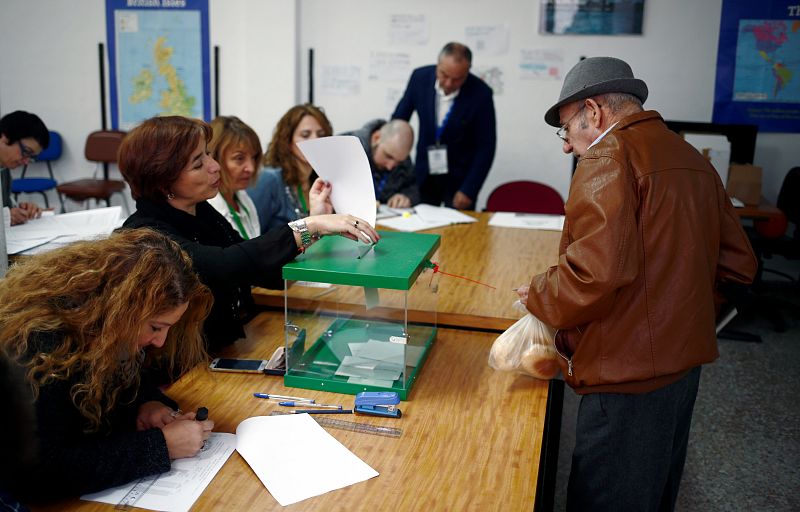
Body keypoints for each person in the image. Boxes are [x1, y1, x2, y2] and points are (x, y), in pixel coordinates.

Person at [516, 57, 758, 510]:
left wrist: (538, 294)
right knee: (655, 487)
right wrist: (680, 316)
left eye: (566, 129)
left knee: (607, 496)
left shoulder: (609, 156)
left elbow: (593, 274)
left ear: (595, 111)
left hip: (624, 372)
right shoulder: (688, 156)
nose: (567, 146)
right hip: (684, 365)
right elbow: (740, 265)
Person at [120, 116, 379, 352]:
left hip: (229, 344)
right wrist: (310, 225)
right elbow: (226, 265)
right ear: (164, 182)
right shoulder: (146, 234)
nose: (214, 166)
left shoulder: (200, 211)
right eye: (199, 163)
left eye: (208, 155)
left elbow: (258, 269)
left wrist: (315, 228)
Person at [0, 228, 215, 501]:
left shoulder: (100, 328)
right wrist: (161, 446)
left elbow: (118, 387)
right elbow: (36, 475)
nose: (160, 342)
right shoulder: (35, 347)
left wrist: (147, 406)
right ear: (120, 309)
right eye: (156, 327)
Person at [392, 42, 496, 209]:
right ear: (438, 65)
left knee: (460, 231)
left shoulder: (481, 93)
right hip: (424, 172)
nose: (448, 83)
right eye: (444, 74)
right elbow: (398, 121)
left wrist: (469, 189)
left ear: (468, 70)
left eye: (457, 79)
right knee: (420, 225)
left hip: (459, 178)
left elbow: (486, 147)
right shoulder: (419, 78)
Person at [248, 104, 333, 232]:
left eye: (321, 135)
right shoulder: (269, 180)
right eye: (305, 135)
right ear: (287, 141)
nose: (315, 141)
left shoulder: (321, 180)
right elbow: (251, 237)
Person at [340, 118, 419, 208]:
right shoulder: (345, 147)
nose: (390, 166)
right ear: (376, 138)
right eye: (388, 156)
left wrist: (406, 197)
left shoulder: (401, 156)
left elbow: (412, 187)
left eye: (398, 162)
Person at [207, 116, 263, 239]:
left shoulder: (243, 197)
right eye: (239, 158)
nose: (251, 168)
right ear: (214, 159)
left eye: (253, 157)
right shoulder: (207, 207)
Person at [0, 111, 49, 226]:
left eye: (31, 157)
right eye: (26, 152)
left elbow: (6, 206)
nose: (26, 161)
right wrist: (6, 217)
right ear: (4, 137)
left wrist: (22, 210)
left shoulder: (4, 169)